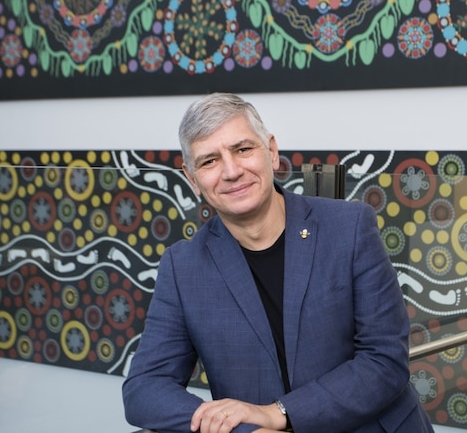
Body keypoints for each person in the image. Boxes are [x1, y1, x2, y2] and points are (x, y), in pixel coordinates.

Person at [122, 93, 434, 433]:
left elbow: (385, 361)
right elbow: (144, 390)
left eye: (243, 149)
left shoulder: (350, 227)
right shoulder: (183, 267)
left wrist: (279, 413)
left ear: (271, 151)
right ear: (192, 178)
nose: (230, 171)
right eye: (209, 161)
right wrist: (247, 430)